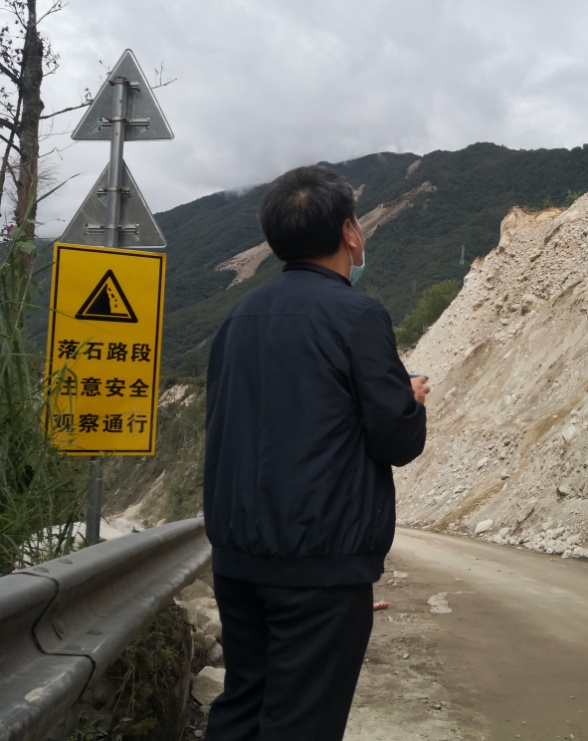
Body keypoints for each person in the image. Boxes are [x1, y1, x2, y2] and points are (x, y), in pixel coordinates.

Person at [202, 164, 429, 740]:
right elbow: (396, 439)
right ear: (350, 231)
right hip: (319, 561)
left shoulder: (238, 317)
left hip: (237, 555)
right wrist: (410, 400)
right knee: (302, 721)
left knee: (243, 705)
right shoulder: (358, 315)